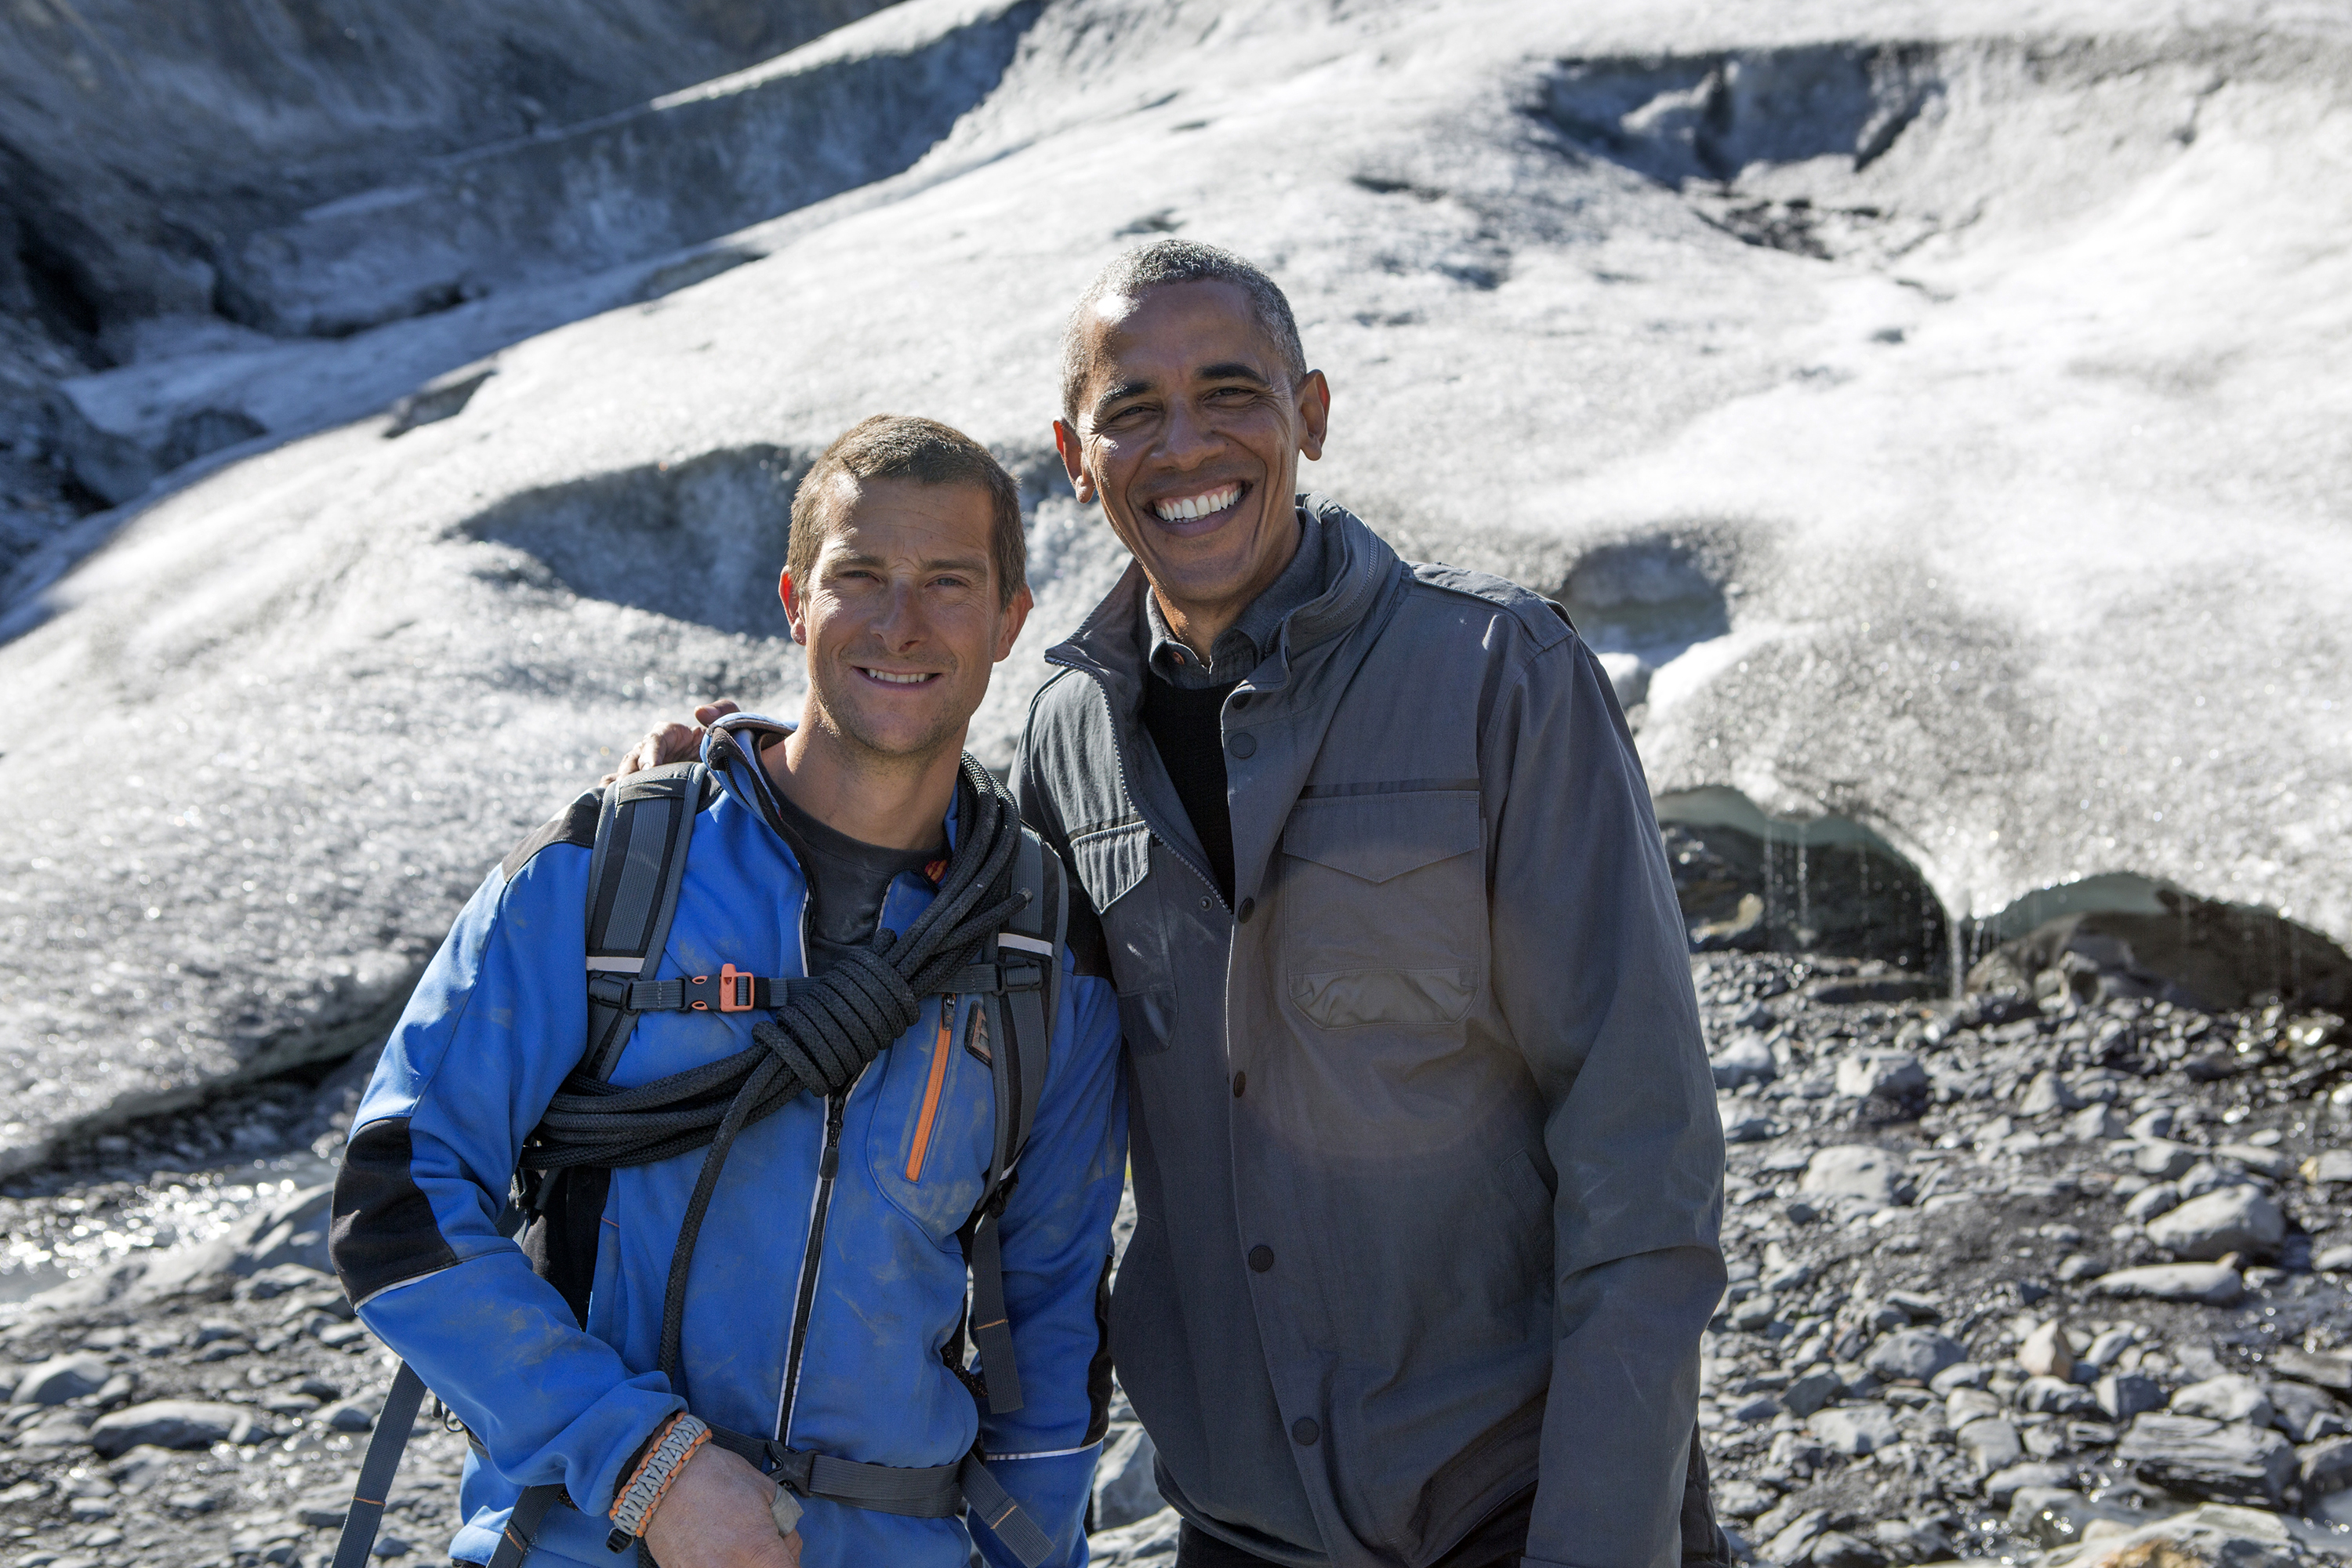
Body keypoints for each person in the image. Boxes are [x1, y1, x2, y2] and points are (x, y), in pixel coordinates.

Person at [627, 241, 1728, 1568]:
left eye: (1231, 393)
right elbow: (939, 937)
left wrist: (1603, 1537)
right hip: (1241, 1517)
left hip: (1510, 1498)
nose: (1186, 445)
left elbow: (1642, 1141)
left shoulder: (1503, 678)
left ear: (1309, 415)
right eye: (1133, 410)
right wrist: (752, 765)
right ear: (1078, 457)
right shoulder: (1069, 735)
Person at [330, 416, 1126, 1568]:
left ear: (1011, 621)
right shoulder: (608, 876)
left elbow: (1049, 1327)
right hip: (585, 1538)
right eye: (862, 576)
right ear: (797, 601)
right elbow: (396, 1192)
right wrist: (646, 1467)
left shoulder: (1039, 950)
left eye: (949, 582)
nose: (902, 622)